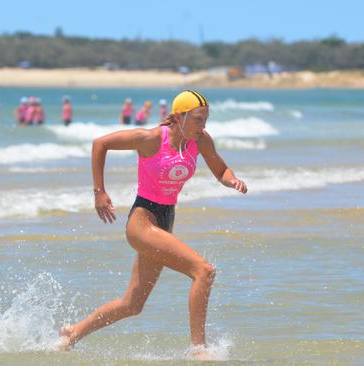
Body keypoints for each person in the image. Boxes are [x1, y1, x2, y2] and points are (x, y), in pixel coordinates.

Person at [57, 90, 248, 360]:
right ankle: (198, 350)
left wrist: (232, 180)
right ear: (179, 116)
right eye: (197, 119)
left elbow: (221, 170)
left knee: (132, 304)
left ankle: (73, 334)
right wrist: (99, 192)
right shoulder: (150, 139)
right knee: (203, 271)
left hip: (165, 220)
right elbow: (100, 144)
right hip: (142, 221)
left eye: (205, 120)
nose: (202, 126)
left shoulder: (201, 140)